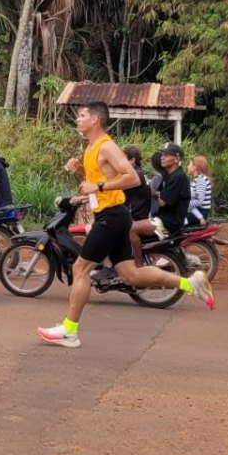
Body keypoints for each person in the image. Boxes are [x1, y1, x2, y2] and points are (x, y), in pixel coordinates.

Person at [36, 102, 212, 349]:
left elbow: (131, 177)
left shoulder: (106, 145)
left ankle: (69, 330)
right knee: (131, 274)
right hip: (114, 215)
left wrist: (96, 188)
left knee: (81, 269)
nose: (78, 119)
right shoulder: (91, 147)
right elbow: (102, 179)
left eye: (82, 115)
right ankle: (188, 283)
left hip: (111, 217)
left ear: (95, 119)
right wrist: (81, 172)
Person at [129, 142, 190, 267]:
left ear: (177, 159)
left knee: (130, 229)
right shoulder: (170, 175)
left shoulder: (177, 177)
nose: (162, 157)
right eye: (162, 154)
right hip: (163, 218)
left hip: (169, 222)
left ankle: (138, 268)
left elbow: (163, 202)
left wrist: (152, 192)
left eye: (167, 155)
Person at [122, 145, 151, 223]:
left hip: (133, 218)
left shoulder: (136, 175)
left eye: (122, 158)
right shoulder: (139, 172)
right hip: (136, 216)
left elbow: (114, 188)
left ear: (132, 160)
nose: (119, 161)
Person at [186, 154, 213, 226]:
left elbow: (199, 201)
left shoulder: (201, 180)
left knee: (178, 221)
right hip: (195, 209)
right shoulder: (197, 179)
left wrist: (185, 205)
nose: (188, 167)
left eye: (189, 164)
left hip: (200, 212)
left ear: (195, 167)